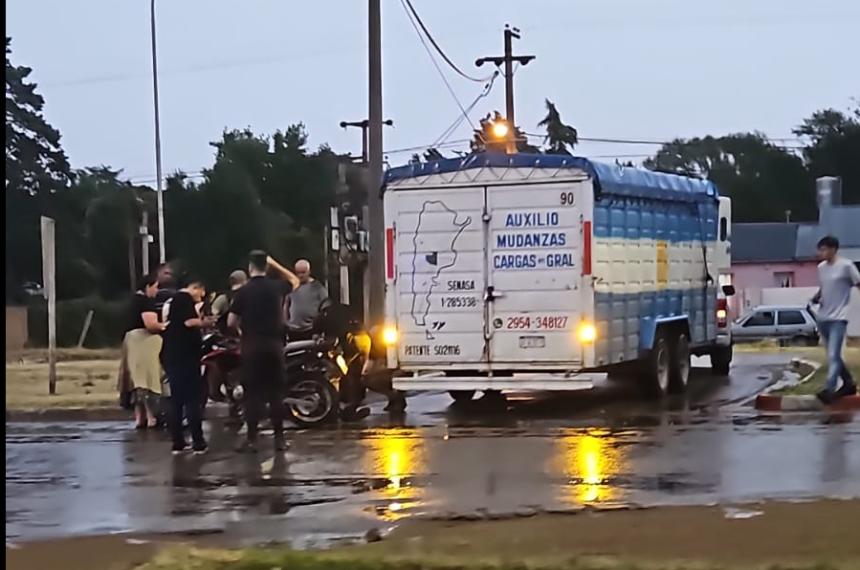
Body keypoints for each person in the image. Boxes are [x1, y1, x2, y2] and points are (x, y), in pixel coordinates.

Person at [228, 250, 289, 453]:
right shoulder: (276, 288)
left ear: (249, 267)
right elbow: (295, 280)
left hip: (252, 346)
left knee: (252, 394)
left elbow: (231, 321)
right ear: (266, 266)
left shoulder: (244, 292)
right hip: (274, 345)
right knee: (276, 394)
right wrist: (276, 264)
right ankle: (279, 439)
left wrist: (240, 331)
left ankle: (252, 440)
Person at [161, 277, 214, 454]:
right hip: (186, 358)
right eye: (201, 291)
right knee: (192, 400)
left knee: (176, 400)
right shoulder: (183, 298)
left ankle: (177, 442)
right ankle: (198, 442)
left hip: (171, 357)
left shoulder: (173, 303)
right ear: (195, 287)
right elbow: (190, 322)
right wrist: (208, 322)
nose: (202, 295)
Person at [811, 235, 860, 404]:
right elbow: (824, 288)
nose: (820, 253)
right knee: (833, 356)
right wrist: (816, 297)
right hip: (823, 316)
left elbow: (858, 283)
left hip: (839, 317)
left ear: (833, 249)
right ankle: (848, 383)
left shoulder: (846, 266)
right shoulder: (821, 268)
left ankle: (829, 389)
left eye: (823, 249)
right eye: (820, 249)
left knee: (834, 354)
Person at [117, 273, 167, 429]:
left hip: (130, 342)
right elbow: (150, 324)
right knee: (147, 380)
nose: (157, 291)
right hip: (144, 342)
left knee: (135, 380)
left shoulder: (132, 301)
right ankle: (151, 416)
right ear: (147, 286)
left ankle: (139, 417)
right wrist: (165, 325)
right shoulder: (146, 302)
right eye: (155, 287)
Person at [285, 259, 329, 341]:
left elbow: (325, 309)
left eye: (303, 272)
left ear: (309, 272)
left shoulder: (318, 288)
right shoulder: (292, 287)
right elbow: (286, 304)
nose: (300, 275)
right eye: (298, 273)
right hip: (293, 330)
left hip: (310, 330)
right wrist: (286, 324)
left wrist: (319, 329)